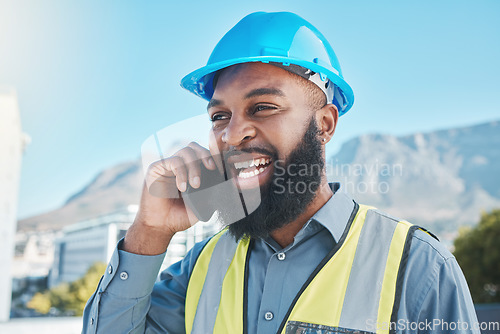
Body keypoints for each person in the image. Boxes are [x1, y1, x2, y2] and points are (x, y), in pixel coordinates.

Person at [82, 12, 479, 334]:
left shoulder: (419, 268)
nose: (232, 133)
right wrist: (149, 232)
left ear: (324, 124)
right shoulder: (202, 268)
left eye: (263, 107)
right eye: (220, 116)